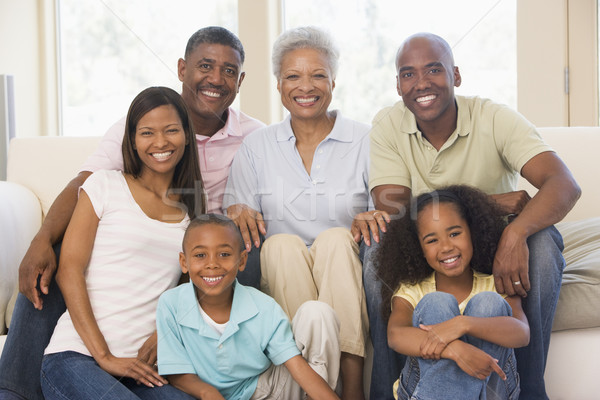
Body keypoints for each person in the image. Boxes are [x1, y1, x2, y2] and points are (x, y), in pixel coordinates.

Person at [0, 26, 264, 400]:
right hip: (81, 348)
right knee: (54, 257)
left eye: (228, 70)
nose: (216, 79)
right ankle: (15, 391)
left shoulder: (254, 141)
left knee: (233, 253)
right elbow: (83, 182)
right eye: (205, 66)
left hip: (193, 257)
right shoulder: (113, 175)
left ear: (240, 80)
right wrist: (41, 238)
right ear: (182, 68)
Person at [364, 32, 581, 400]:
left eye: (434, 69)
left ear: (456, 76)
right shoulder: (388, 124)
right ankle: (390, 392)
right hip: (430, 239)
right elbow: (397, 212)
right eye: (408, 74)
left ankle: (528, 391)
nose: (421, 83)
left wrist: (514, 235)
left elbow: (564, 184)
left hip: (495, 238)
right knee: (375, 249)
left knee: (542, 245)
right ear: (398, 85)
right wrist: (490, 202)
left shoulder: (492, 116)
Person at [223, 26, 387, 400]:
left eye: (317, 75)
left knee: (334, 239)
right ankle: (308, 383)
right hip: (283, 270)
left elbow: (388, 208)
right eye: (293, 76)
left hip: (348, 266)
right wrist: (238, 213)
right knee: (279, 245)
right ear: (279, 84)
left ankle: (352, 387)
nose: (305, 87)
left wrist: (372, 214)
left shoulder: (366, 139)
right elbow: (238, 218)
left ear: (333, 81)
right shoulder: (256, 146)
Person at [40, 86, 203, 399]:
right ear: (131, 139)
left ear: (186, 135)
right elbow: (69, 269)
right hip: (77, 357)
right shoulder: (104, 185)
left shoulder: (190, 215)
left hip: (143, 370)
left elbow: (186, 292)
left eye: (171, 130)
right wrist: (104, 356)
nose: (160, 142)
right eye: (147, 133)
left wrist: (164, 333)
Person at [156, 214, 341, 400]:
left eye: (224, 254)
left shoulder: (263, 307)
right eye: (200, 255)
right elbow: (176, 371)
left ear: (242, 260)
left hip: (265, 389)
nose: (212, 264)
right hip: (206, 395)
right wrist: (207, 393)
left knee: (318, 313)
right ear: (184, 262)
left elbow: (296, 365)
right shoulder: (171, 304)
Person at [378, 185, 529, 400]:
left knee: (488, 303)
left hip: (494, 391)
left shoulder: (496, 283)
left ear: (473, 232)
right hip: (422, 389)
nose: (446, 246)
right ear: (418, 248)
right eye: (432, 240)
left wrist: (462, 324)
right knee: (436, 303)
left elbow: (522, 333)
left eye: (455, 233)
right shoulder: (414, 289)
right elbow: (395, 335)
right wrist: (456, 350)